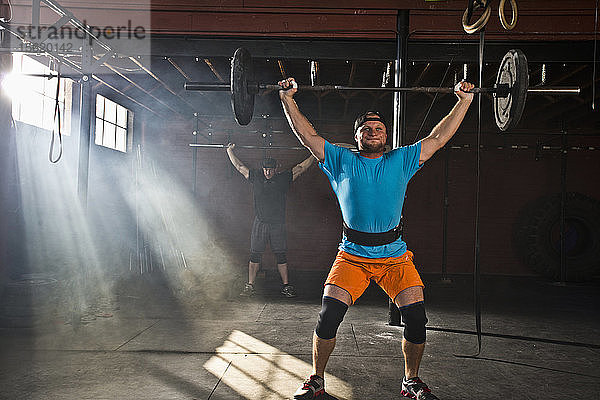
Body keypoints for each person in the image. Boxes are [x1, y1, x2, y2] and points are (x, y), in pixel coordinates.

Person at [278, 77, 474, 400]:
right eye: (365, 128)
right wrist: (288, 99)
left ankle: (411, 381)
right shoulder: (340, 160)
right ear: (356, 137)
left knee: (416, 318)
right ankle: (316, 379)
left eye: (378, 127)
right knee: (328, 317)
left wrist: (463, 102)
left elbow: (438, 138)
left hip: (394, 256)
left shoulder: (401, 160)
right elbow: (307, 136)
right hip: (351, 255)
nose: (372, 131)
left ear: (387, 135)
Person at [226, 143, 314, 298]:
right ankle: (250, 285)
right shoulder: (256, 177)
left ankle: (286, 286)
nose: (267, 172)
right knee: (255, 255)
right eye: (265, 169)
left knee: (281, 255)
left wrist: (315, 153)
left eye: (270, 170)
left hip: (277, 224)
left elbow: (301, 167)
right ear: (263, 169)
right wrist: (229, 151)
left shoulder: (283, 178)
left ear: (275, 169)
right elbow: (239, 166)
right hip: (260, 222)